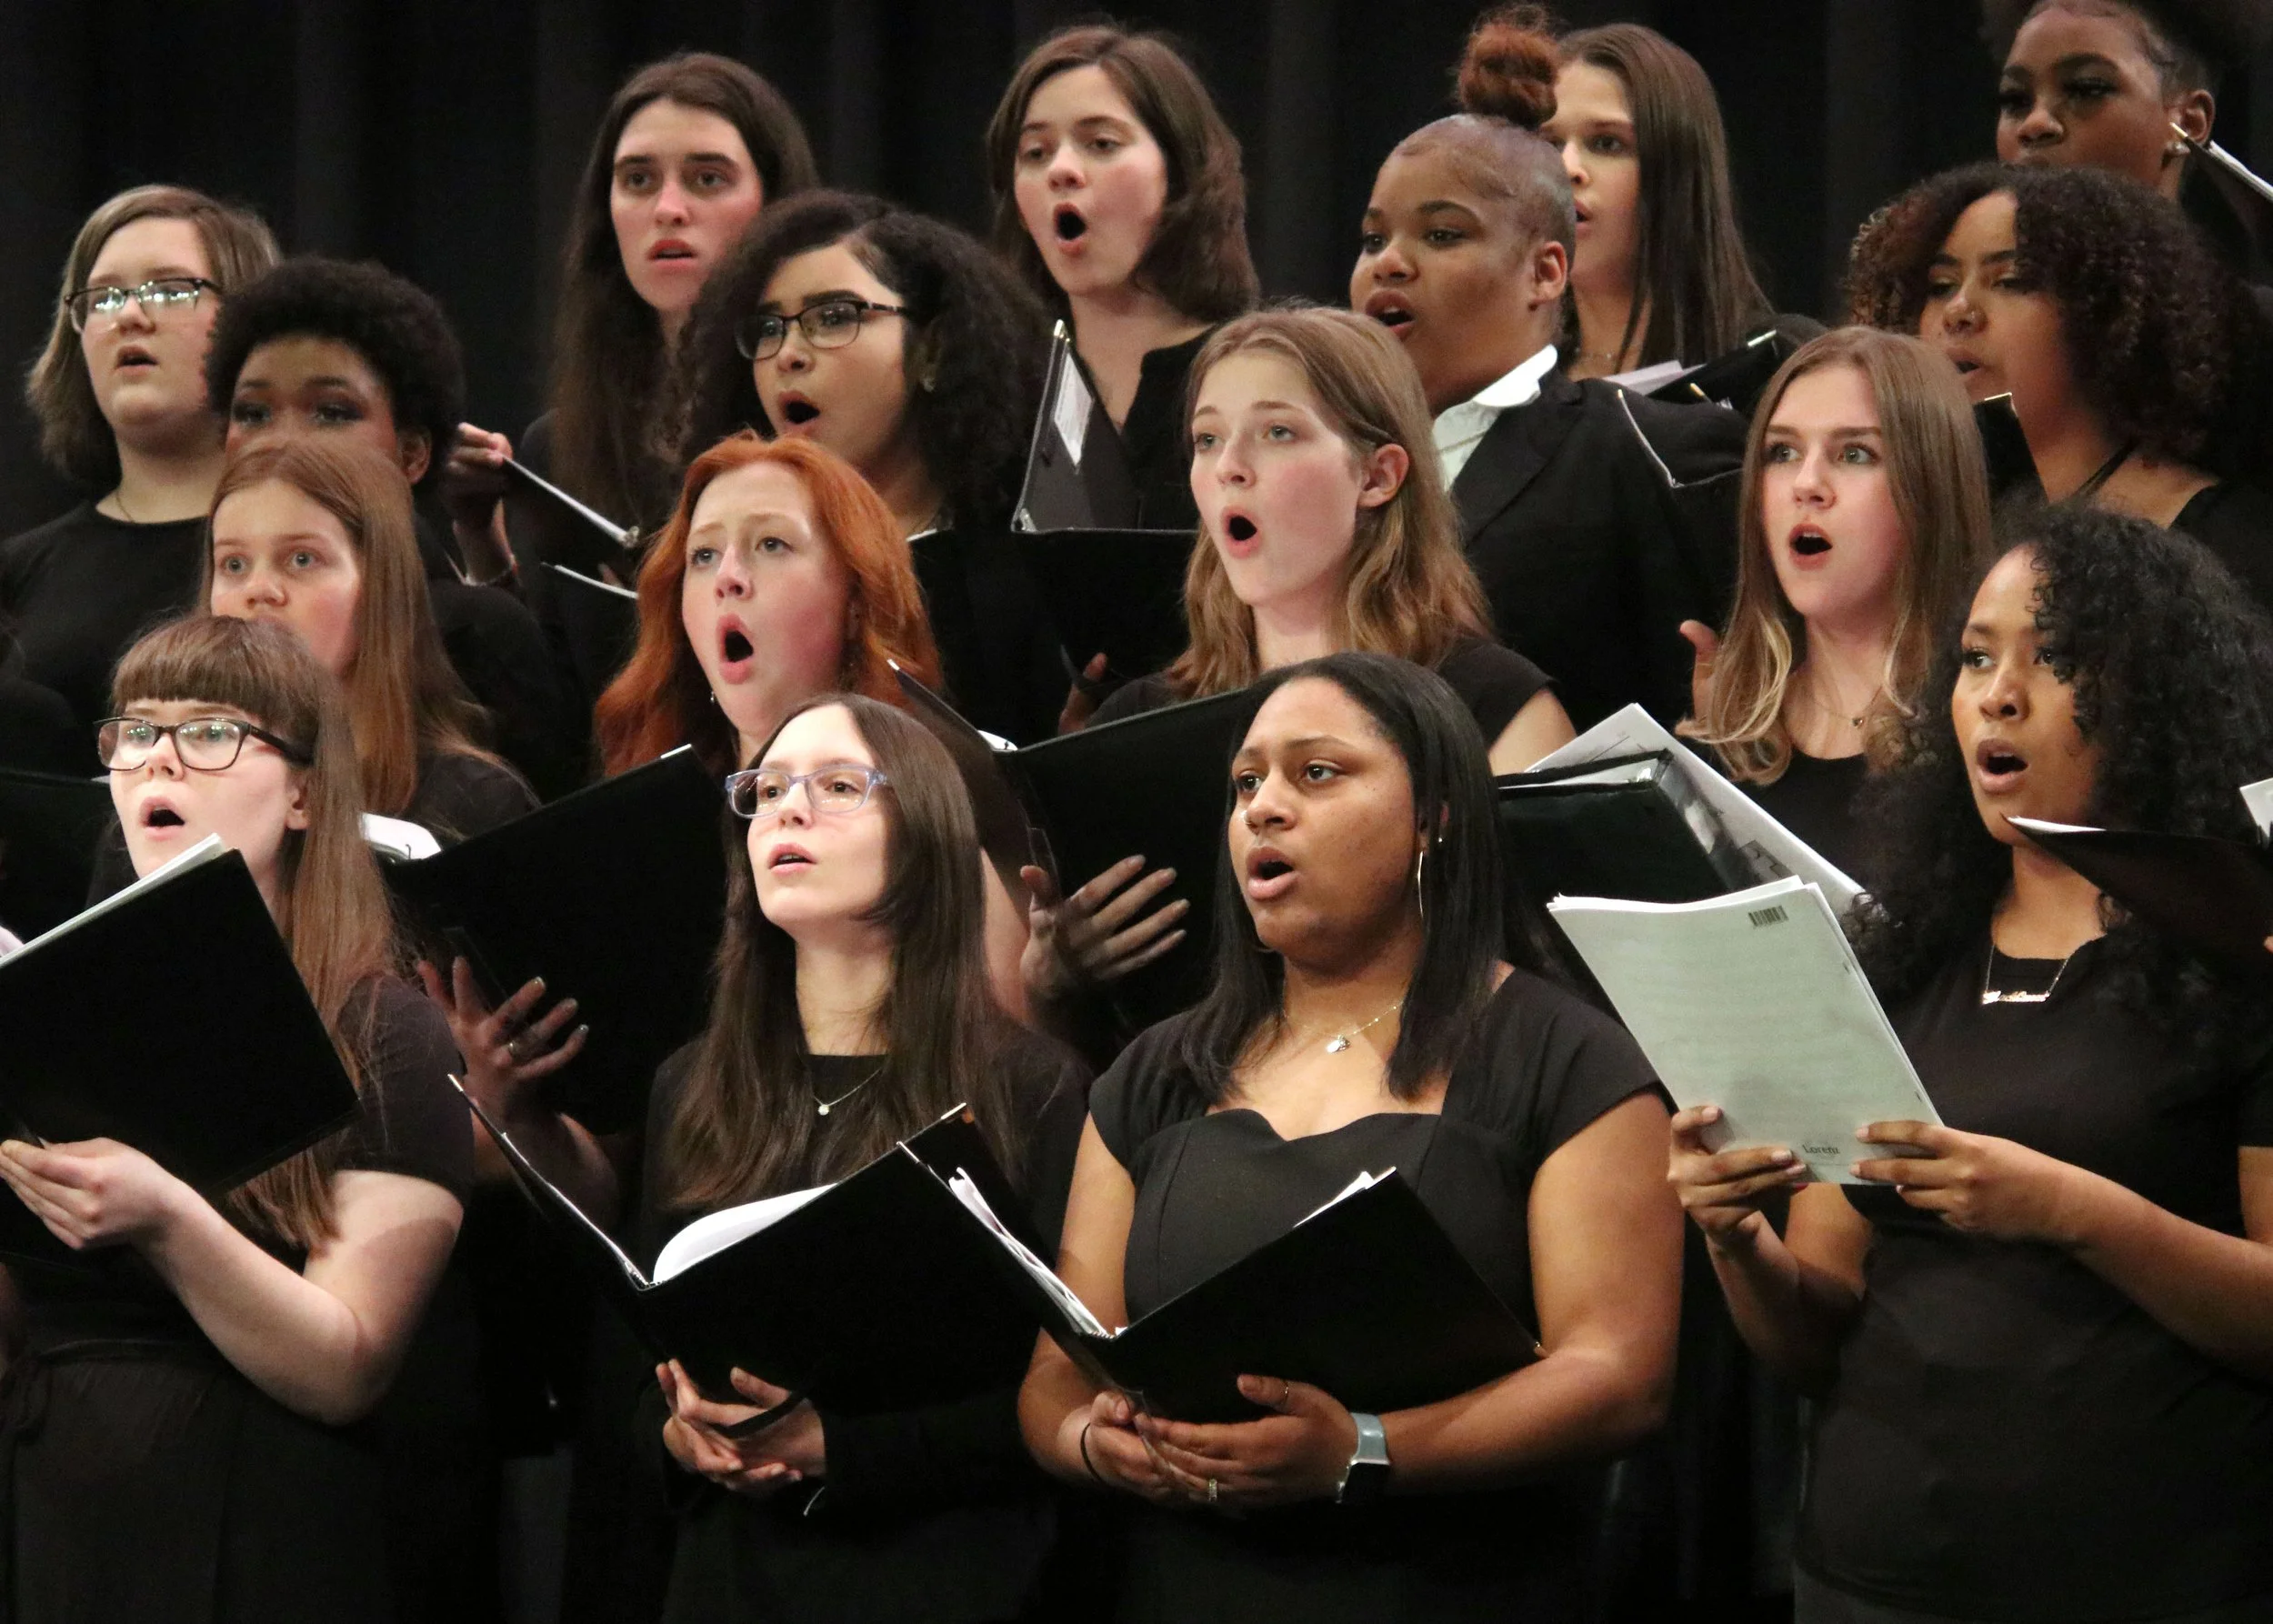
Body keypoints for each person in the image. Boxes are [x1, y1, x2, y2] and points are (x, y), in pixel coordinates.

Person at [1670, 505, 2273, 1622]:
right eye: (1975, 657)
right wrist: (1737, 1240)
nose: (1997, 693)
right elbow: (1817, 1338)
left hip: (2151, 1577)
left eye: (2055, 659)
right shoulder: (1897, 961)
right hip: (1870, 1572)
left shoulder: (2241, 956)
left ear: (2158, 695)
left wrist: (2067, 1208)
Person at [1020, 650, 1680, 1621]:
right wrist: (1095, 1441)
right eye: (1246, 783)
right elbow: (1053, 1374)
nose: (1263, 808)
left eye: (1315, 772)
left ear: (1434, 816)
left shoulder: (1567, 1058)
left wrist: (1364, 1450)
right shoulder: (1155, 1073)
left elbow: (1618, 1376)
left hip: (1458, 1587)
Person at [441, 695, 1088, 1624]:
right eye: (768, 788)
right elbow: (634, 1362)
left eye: (836, 787)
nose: (787, 810)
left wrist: (839, 1446)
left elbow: (1064, 1401)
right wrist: (678, 1430)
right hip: (730, 1576)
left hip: (947, 1578)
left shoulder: (1030, 1089)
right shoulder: (694, 1083)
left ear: (928, 834)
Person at [0, 613, 470, 1621]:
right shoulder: (54, 1014)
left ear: (302, 791)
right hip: (55, 1498)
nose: (158, 758)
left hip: (259, 1517)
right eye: (135, 732)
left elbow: (349, 1363)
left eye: (211, 731)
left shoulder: (386, 1032)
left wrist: (166, 1218)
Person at [1031, 306, 1578, 1021]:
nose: (1228, 468)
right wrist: (1051, 979)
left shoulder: (1493, 707)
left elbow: (1561, 988)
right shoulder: (1138, 724)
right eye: (1206, 439)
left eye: (1277, 432)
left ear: (1378, 476)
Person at [1351, 15, 1747, 730]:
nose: (1390, 262)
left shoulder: (1639, 450)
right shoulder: (1337, 464)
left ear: (1545, 271)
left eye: (1442, 234)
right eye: (1374, 238)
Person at [674, 191, 1066, 743]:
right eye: (769, 328)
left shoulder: (1015, 579)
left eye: (834, 317)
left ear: (931, 350)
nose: (789, 353)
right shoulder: (726, 576)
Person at [207, 255, 583, 796]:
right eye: (254, 413)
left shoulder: (474, 635)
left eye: (332, 412)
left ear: (411, 454)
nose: (283, 438)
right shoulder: (209, 614)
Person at [1849, 159, 2273, 608]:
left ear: (2108, 315)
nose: (1958, 311)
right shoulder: (1938, 530)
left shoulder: (2231, 547)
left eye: (2010, 281)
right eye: (1940, 286)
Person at [449, 52, 818, 565]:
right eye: (639, 181)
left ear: (775, 204)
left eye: (707, 178)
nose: (668, 209)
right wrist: (481, 537)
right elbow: (552, 646)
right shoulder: (559, 449)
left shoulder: (819, 417)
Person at [1683, 326, 1996, 885]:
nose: (1807, 483)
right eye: (1782, 452)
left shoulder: (1984, 740)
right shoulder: (1723, 752)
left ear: (1931, 488)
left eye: (1855, 454)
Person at [0, 185, 277, 760]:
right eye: (102, 297)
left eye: (172, 290)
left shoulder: (321, 547)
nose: (128, 314)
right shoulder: (20, 571)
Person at [986, 23, 1258, 533]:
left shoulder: (1257, 375)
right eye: (1035, 153)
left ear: (1180, 174)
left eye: (1101, 143)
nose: (1061, 170)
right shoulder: (1002, 399)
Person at [206, 435, 534, 840]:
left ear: (381, 584)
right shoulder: (168, 786)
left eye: (302, 559)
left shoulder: (476, 803)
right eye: (233, 564)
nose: (257, 589)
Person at [593, 432, 942, 779]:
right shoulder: (647, 820)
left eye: (771, 544)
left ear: (856, 602)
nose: (727, 577)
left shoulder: (926, 814)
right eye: (704, 555)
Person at [1515, 8, 1810, 380]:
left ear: (1678, 172)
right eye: (1550, 143)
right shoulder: (1511, 387)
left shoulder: (1777, 367)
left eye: (1606, 143)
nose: (1566, 167)